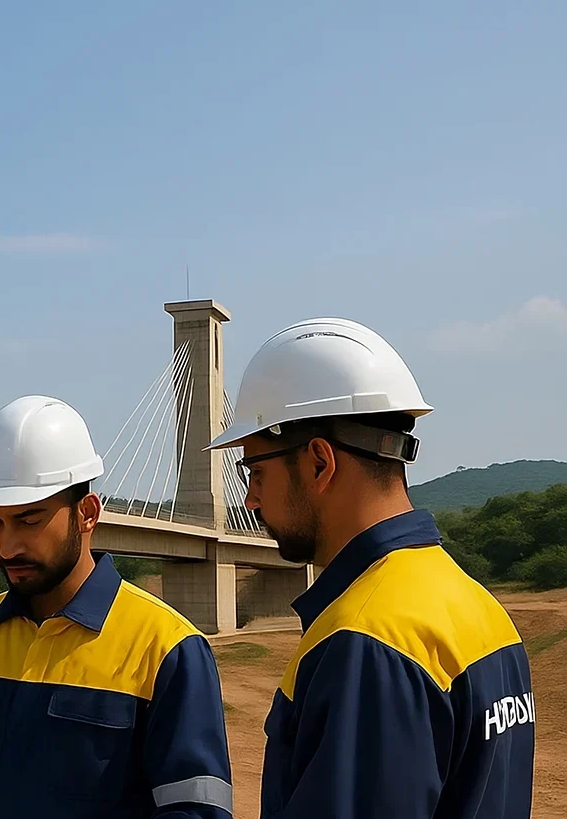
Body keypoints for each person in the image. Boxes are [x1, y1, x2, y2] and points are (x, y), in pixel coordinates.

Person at [207, 318, 533, 818]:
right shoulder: (477, 607)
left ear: (319, 462)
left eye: (255, 470)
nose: (248, 499)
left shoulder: (363, 643)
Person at [0, 395, 233, 818]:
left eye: (29, 520)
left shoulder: (167, 648)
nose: (7, 546)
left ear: (87, 513)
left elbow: (193, 809)